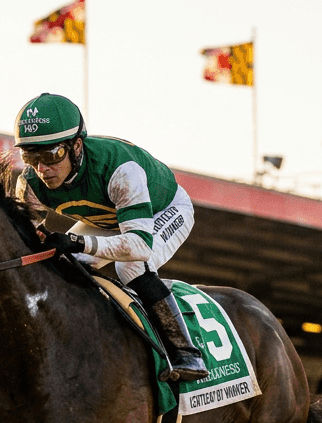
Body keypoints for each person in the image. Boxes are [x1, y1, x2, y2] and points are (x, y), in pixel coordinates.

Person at [13, 92, 209, 382]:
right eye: (30, 156)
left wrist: (78, 242)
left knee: (129, 266)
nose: (42, 169)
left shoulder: (120, 170)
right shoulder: (29, 183)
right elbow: (25, 242)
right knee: (60, 264)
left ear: (76, 146)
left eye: (51, 155)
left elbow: (139, 245)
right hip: (106, 220)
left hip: (163, 210)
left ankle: (187, 354)